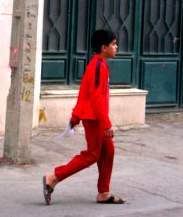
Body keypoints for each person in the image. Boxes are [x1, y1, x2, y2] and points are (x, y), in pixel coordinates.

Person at [43, 29, 125, 205]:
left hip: (96, 117)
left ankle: (103, 193)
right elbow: (94, 97)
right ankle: (53, 177)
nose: (116, 47)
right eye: (113, 44)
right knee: (92, 155)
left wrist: (75, 117)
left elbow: (85, 94)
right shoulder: (97, 66)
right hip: (94, 119)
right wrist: (106, 124)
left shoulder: (100, 65)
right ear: (104, 47)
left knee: (108, 151)